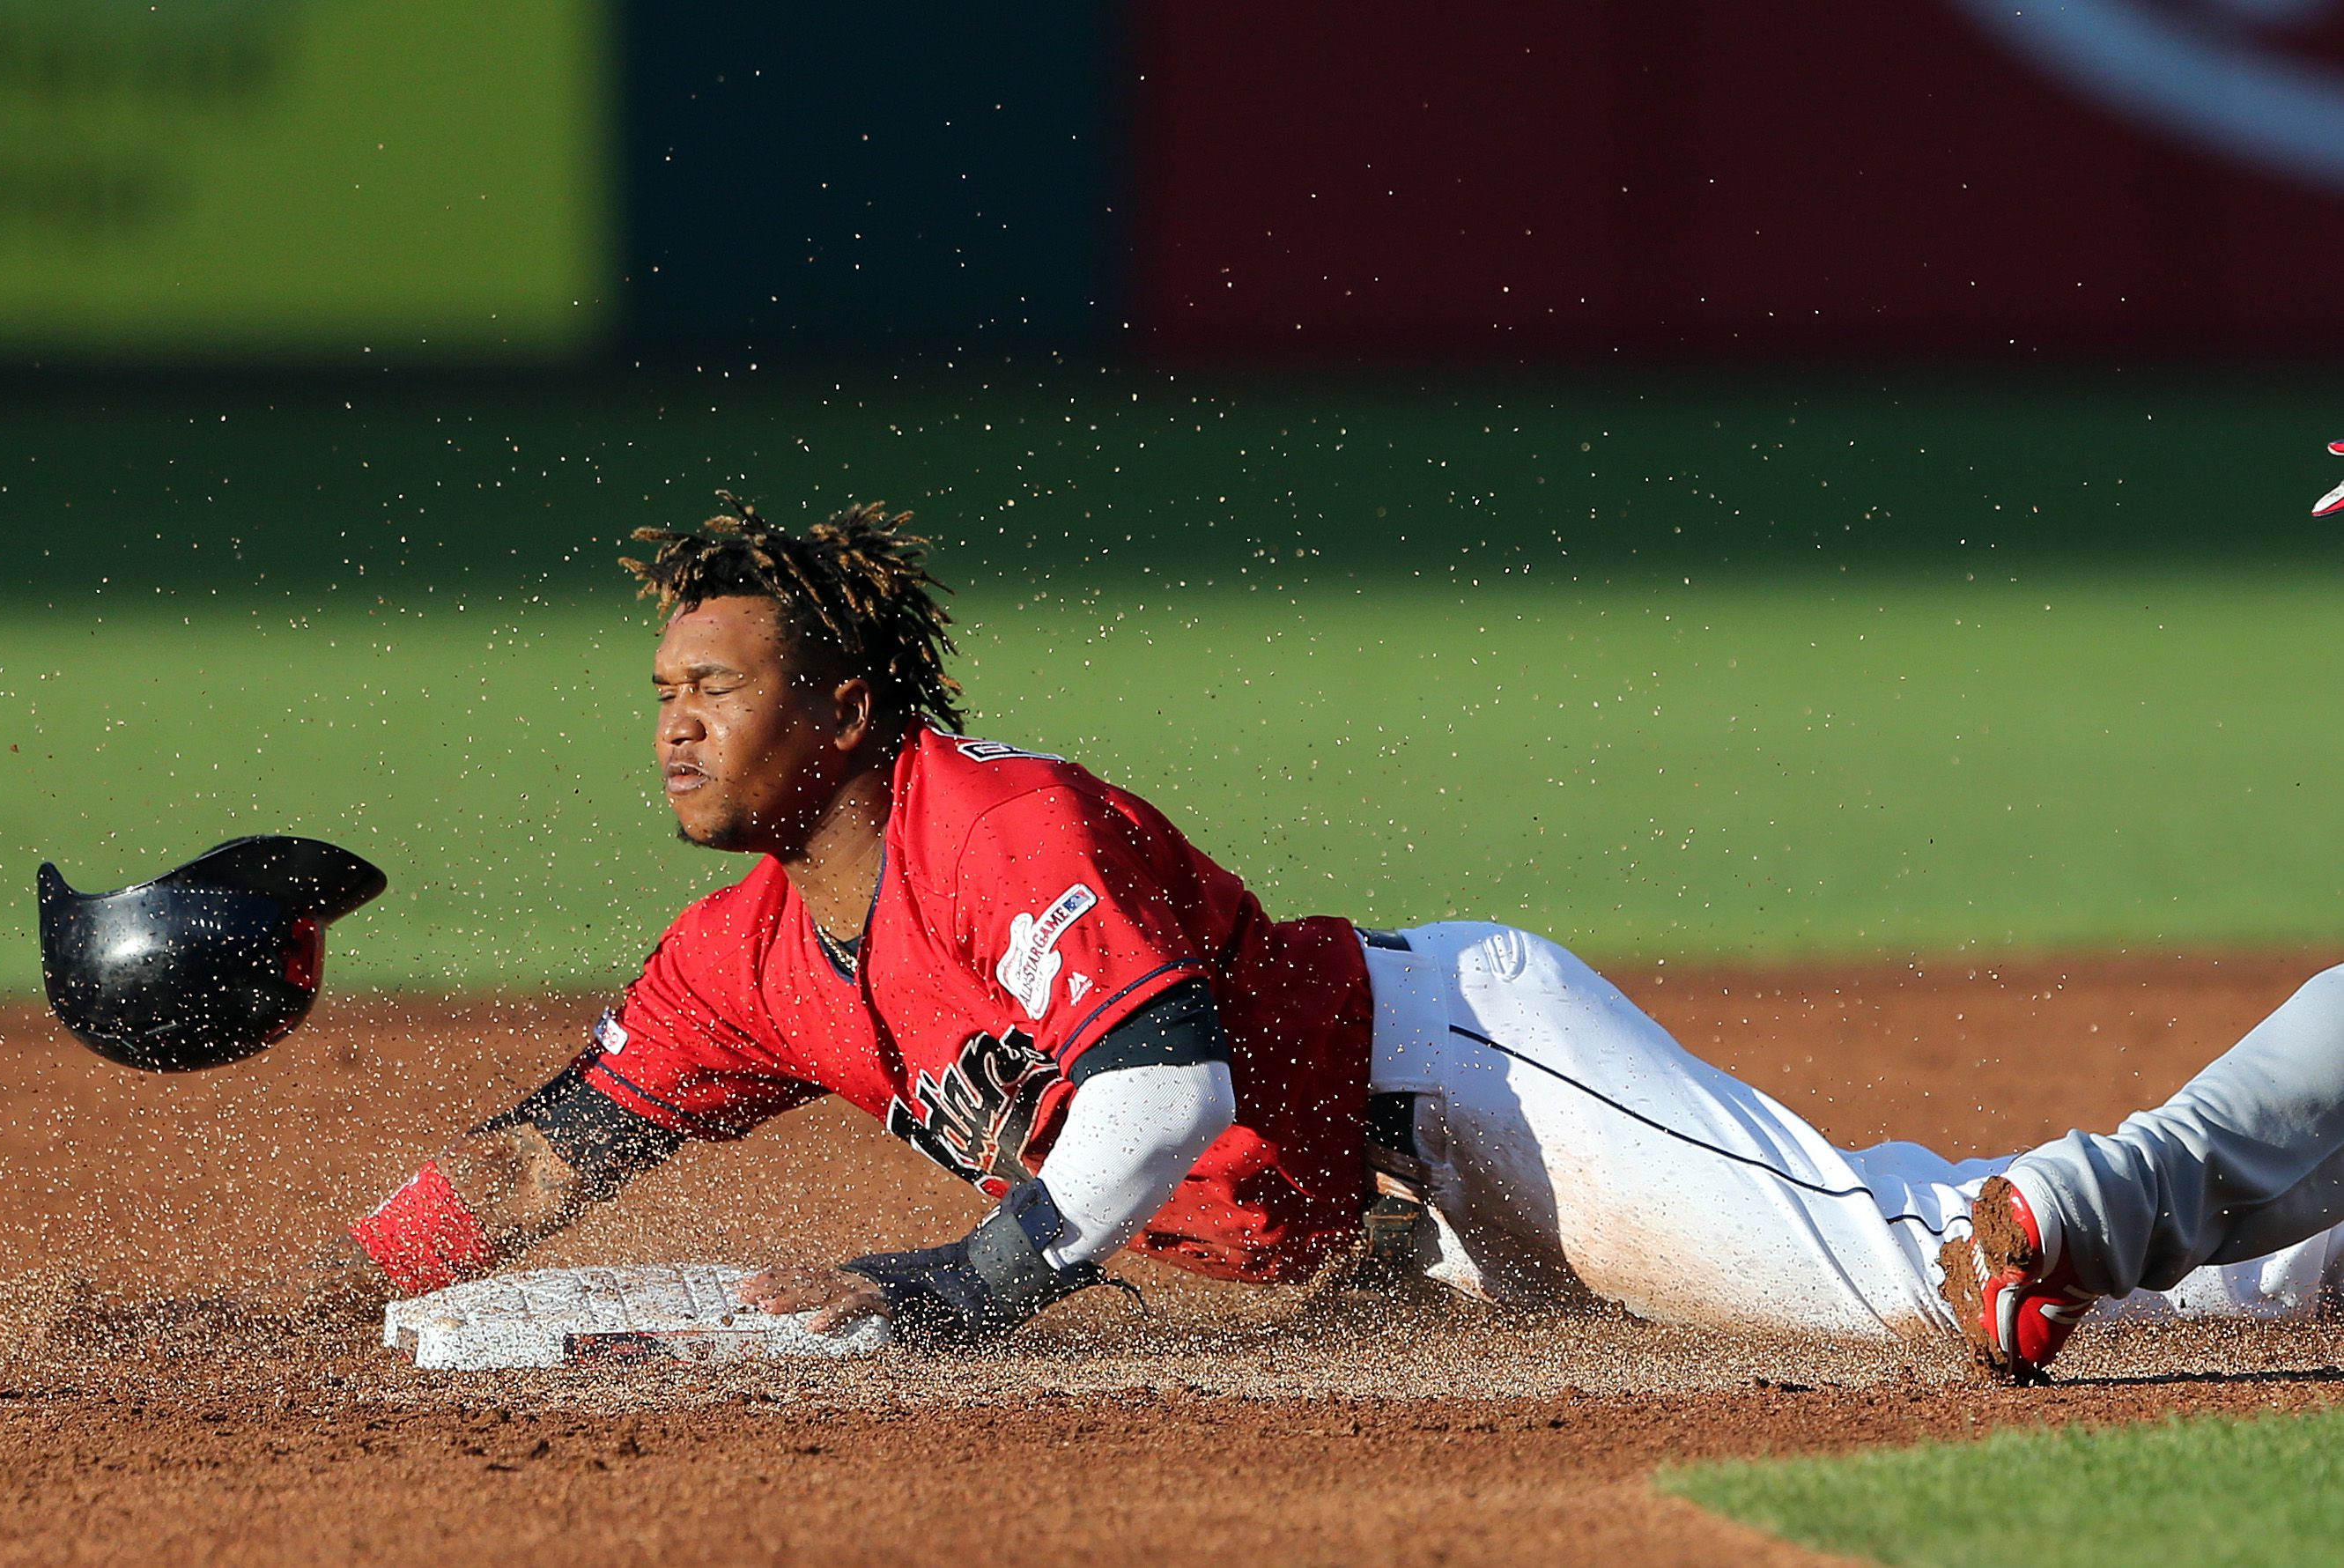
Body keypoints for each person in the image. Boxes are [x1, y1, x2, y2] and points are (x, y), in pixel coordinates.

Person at [315, 500, 2344, 1383]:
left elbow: (1170, 1080)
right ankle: (2287, 1231)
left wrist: (966, 1281)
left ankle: (2275, 1169)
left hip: (1458, 1079)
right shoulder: (735, 958)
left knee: (1906, 1292)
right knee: (1948, 1265)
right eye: (659, 683)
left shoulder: (994, 821)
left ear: (841, 710)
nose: (671, 717)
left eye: (716, 679)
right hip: (1380, 1235)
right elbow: (544, 1152)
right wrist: (335, 1289)